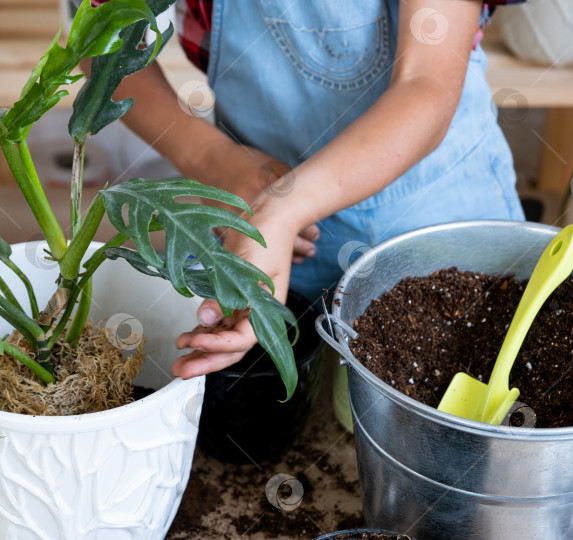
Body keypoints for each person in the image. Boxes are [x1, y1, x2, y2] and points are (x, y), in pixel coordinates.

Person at [77, 0, 527, 378]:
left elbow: (424, 82)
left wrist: (282, 208)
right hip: (254, 213)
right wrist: (214, 162)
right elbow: (103, 49)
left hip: (436, 211)